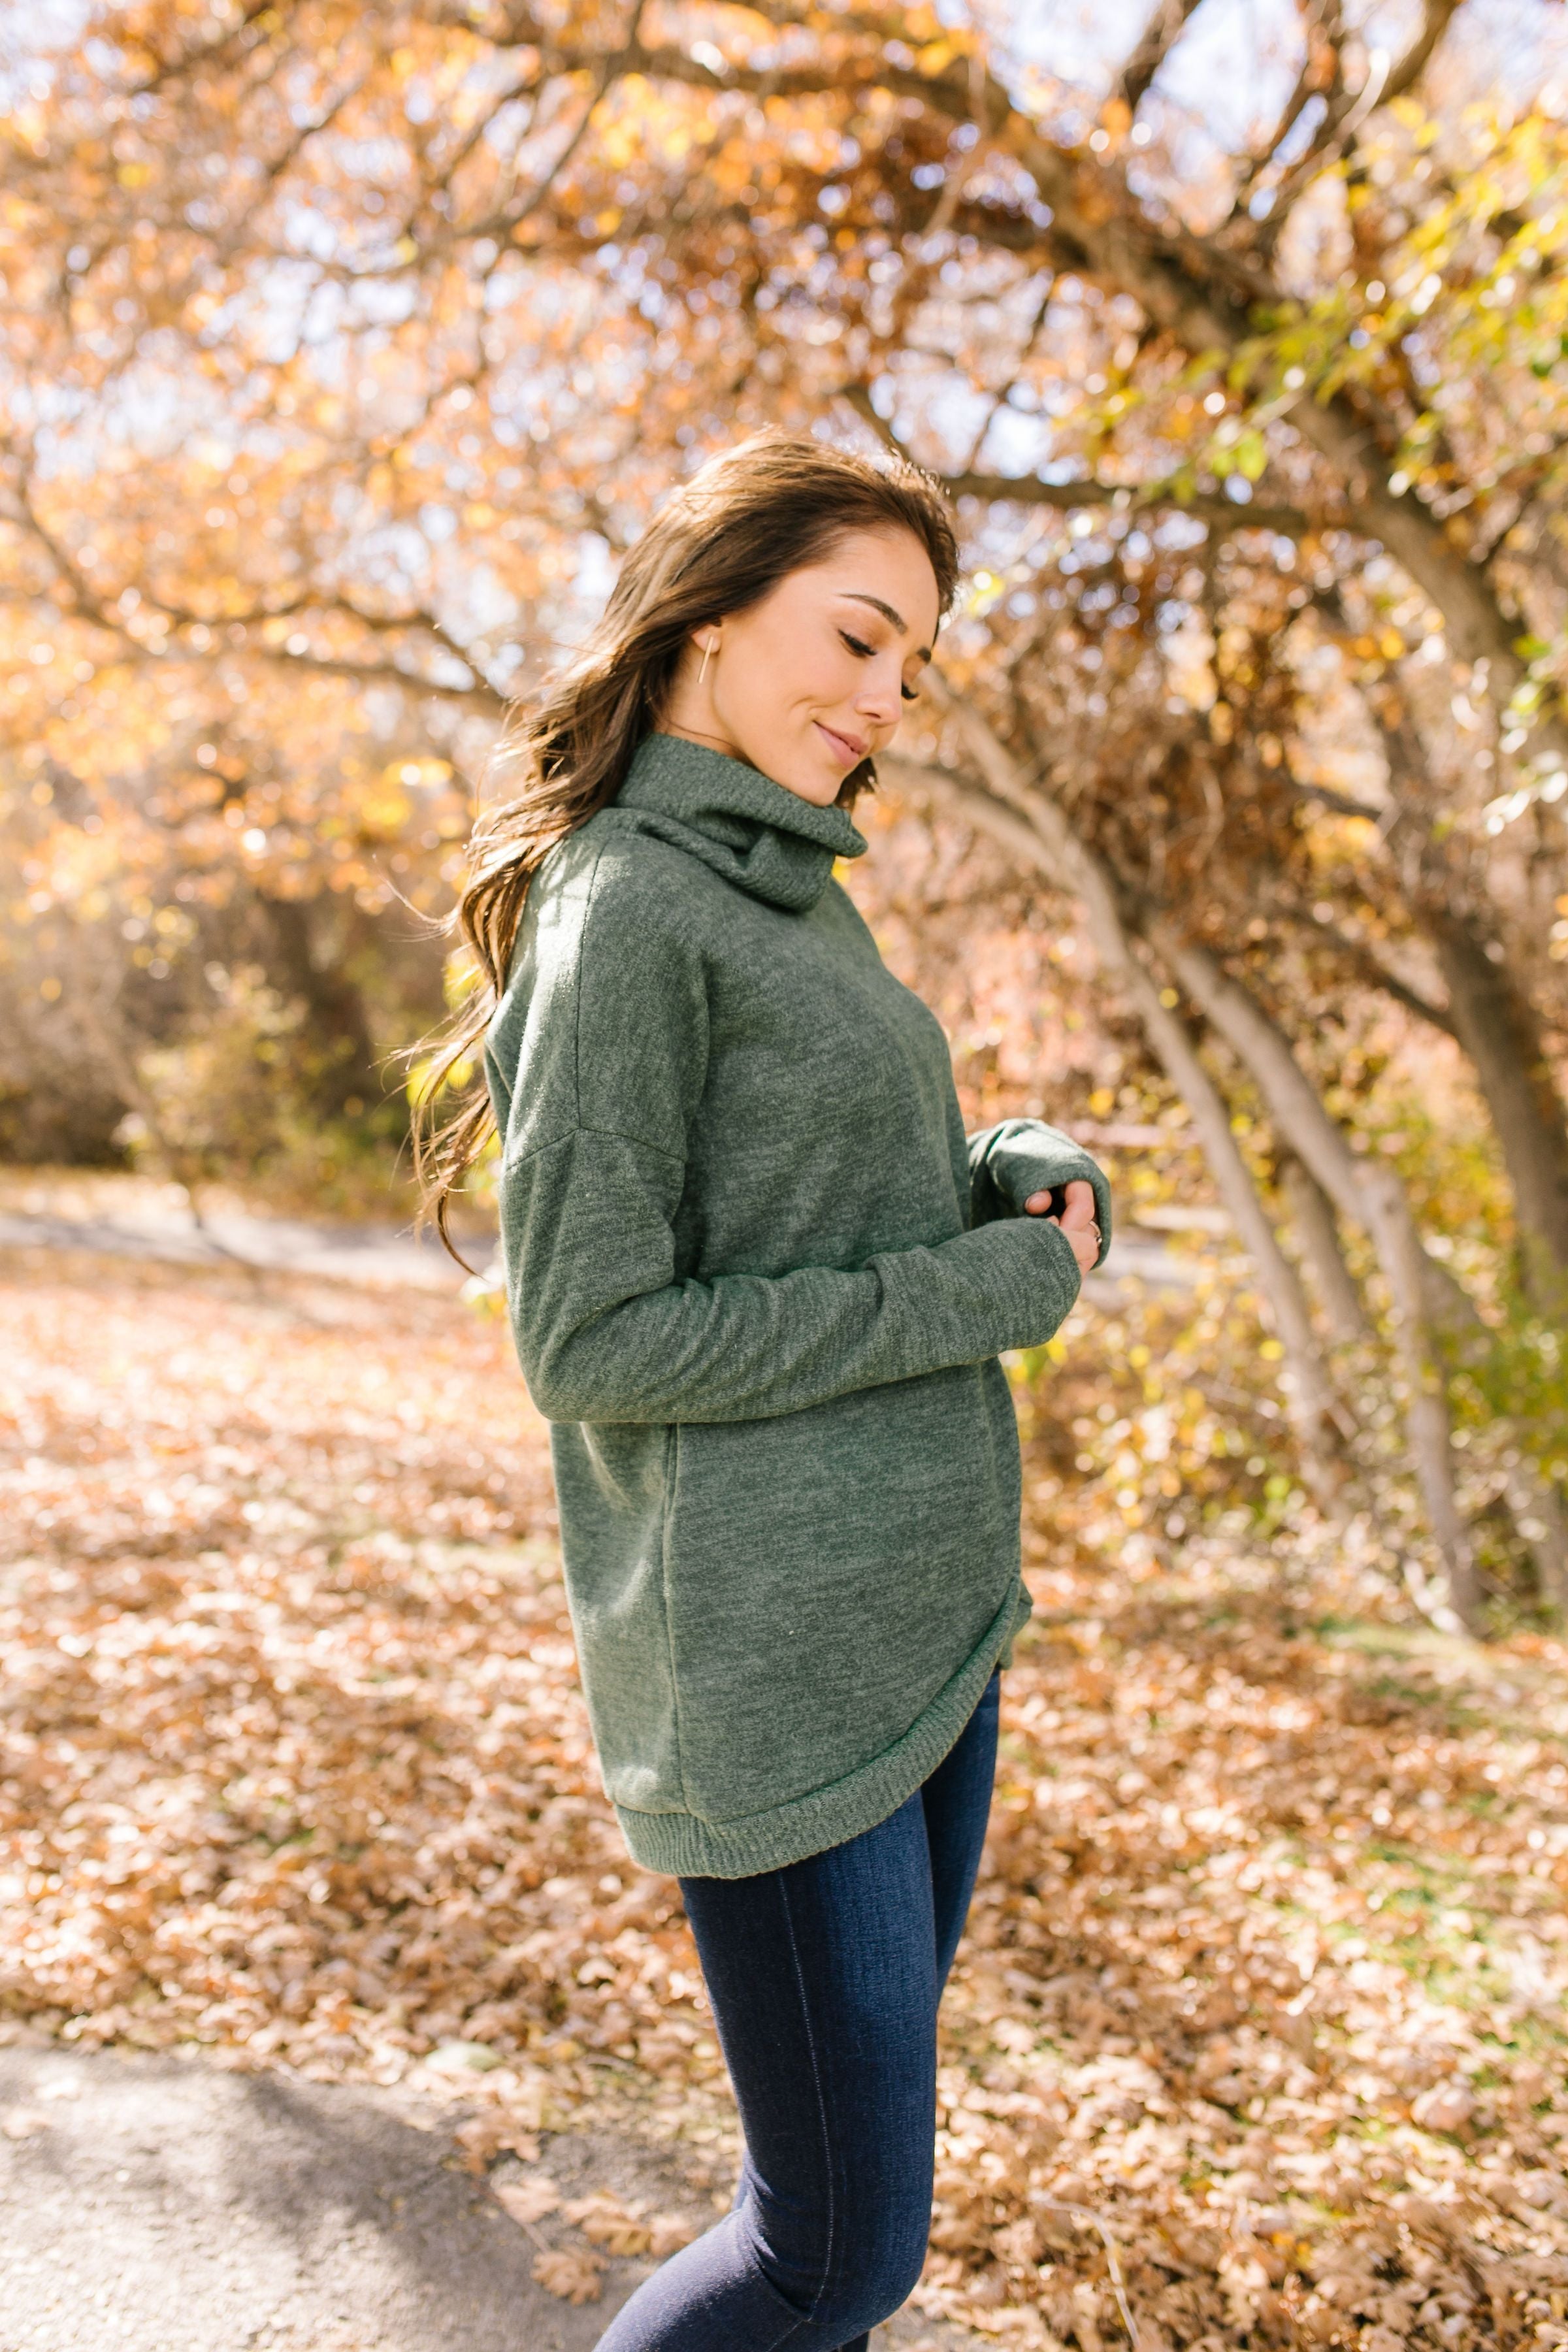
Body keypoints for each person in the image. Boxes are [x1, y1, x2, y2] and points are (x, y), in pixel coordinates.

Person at [416, 432, 1111, 2351]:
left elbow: (824, 1202)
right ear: (710, 616)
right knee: (832, 2255)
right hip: (775, 1669)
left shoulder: (797, 890)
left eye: (916, 669)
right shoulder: (627, 908)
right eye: (858, 636)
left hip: (924, 1630)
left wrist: (1014, 1169)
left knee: (836, 2244)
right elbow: (593, 1341)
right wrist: (983, 1287)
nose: (888, 700)